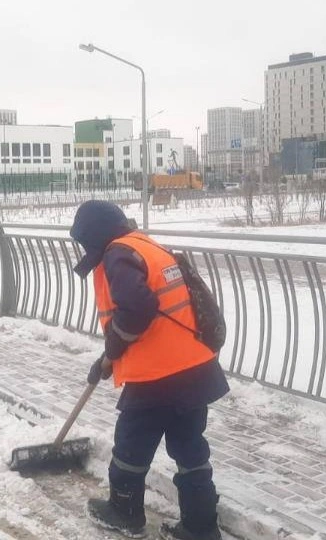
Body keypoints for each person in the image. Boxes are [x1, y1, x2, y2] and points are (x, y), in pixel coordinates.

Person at [70, 200, 229, 540]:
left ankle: (124, 512)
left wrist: (113, 348)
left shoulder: (117, 253)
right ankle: (200, 528)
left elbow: (139, 307)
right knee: (190, 448)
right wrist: (108, 358)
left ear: (94, 236)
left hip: (159, 375)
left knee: (131, 445)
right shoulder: (146, 245)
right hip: (193, 366)